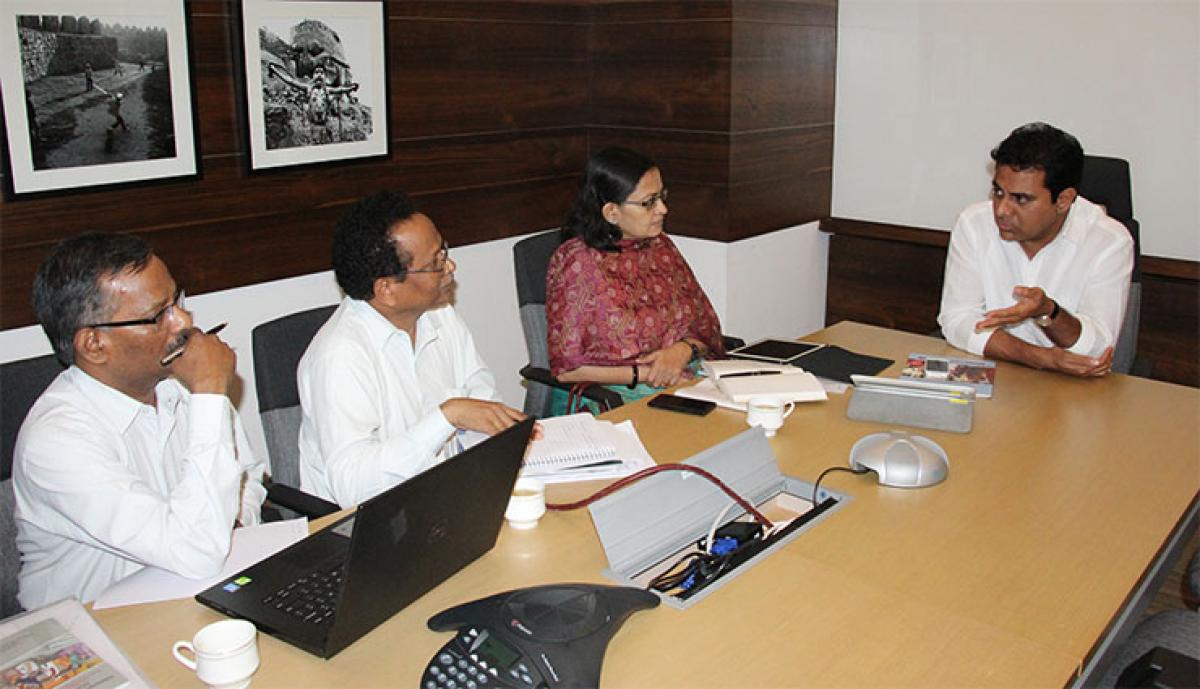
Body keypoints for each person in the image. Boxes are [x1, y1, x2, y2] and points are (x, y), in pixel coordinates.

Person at [13, 233, 266, 610]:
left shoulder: (175, 385)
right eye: (157, 314)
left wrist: (231, 526)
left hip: (194, 595)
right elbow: (195, 550)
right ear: (94, 345)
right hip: (94, 631)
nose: (183, 321)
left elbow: (248, 476)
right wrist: (211, 389)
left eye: (177, 300)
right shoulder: (55, 441)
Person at [297, 190, 526, 508]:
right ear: (387, 288)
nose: (451, 267)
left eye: (443, 252)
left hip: (450, 494)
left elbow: (481, 394)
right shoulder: (340, 357)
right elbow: (352, 486)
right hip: (373, 522)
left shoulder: (438, 314)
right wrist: (447, 417)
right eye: (436, 263)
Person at [937, 122, 1134, 377]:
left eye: (1021, 199)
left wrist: (1049, 313)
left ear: (1063, 200)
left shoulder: (1108, 241)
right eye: (998, 192)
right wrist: (1040, 357)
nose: (1001, 210)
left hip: (1071, 389)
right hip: (996, 376)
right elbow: (956, 320)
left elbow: (1097, 351)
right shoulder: (974, 224)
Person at [545, 147, 725, 411]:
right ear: (612, 212)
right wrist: (647, 374)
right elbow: (567, 369)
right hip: (608, 396)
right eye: (648, 202)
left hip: (680, 378)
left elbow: (703, 327)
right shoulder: (578, 263)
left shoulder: (661, 247)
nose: (663, 209)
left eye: (661, 196)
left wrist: (681, 352)